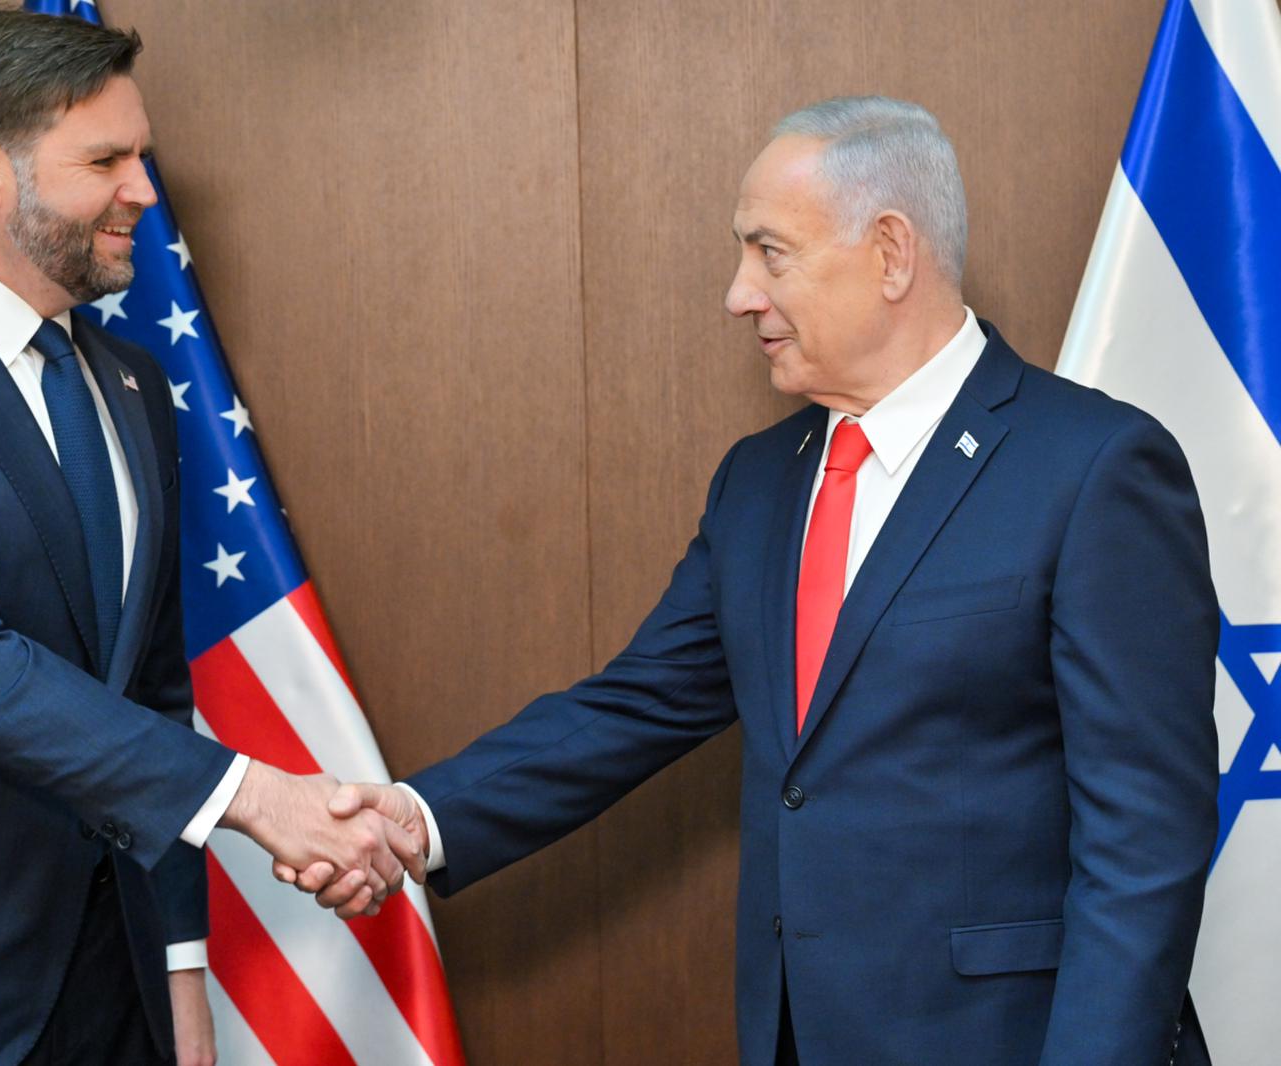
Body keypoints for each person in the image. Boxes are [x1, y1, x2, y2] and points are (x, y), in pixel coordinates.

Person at [292, 97, 1220, 1065]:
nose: (738, 294)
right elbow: (635, 704)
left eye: (768, 253)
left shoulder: (1093, 467)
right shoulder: (759, 481)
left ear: (891, 252)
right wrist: (416, 818)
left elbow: (1144, 843)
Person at [0, 11, 418, 1066]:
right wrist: (261, 797)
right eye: (106, 159)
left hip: (115, 987)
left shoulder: (133, 384)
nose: (144, 191)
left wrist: (179, 971)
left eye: (140, 155)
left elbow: (146, 692)